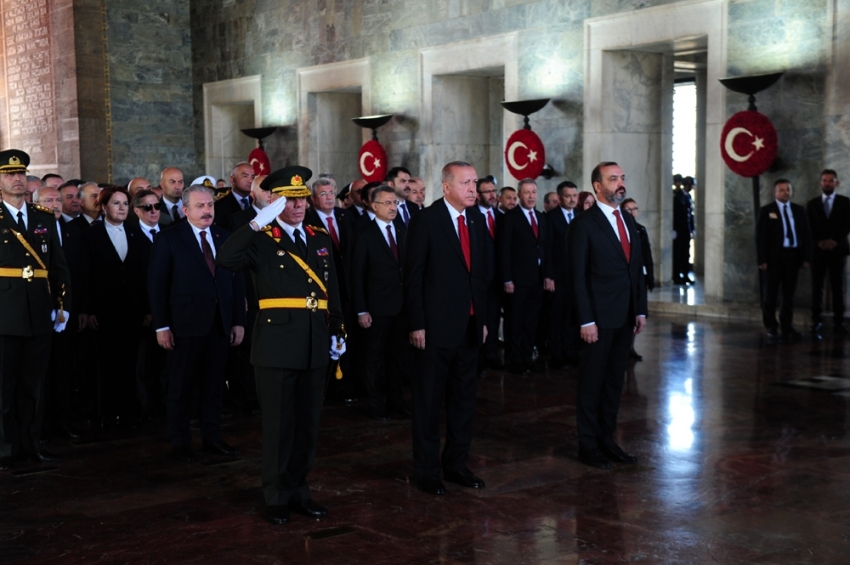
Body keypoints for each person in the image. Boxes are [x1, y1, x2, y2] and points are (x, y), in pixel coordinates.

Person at [217, 166, 344, 526]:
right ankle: (275, 495)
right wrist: (258, 222)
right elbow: (226, 260)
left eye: (302, 199)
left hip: (315, 342)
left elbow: (332, 289)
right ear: (274, 203)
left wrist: (338, 327)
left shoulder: (319, 238)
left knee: (308, 424)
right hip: (276, 343)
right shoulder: (261, 237)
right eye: (290, 200)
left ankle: (299, 490)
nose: (299, 206)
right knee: (278, 426)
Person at [404, 160, 488, 496]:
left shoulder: (477, 220)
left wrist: (482, 320)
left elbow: (481, 277)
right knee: (428, 403)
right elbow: (412, 277)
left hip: (468, 327)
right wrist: (417, 323)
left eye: (475, 182)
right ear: (447, 186)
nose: (473, 189)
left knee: (463, 401)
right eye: (466, 183)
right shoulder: (426, 220)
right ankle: (426, 469)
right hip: (434, 330)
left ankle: (456, 464)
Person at [148, 184, 246, 463]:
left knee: (214, 386)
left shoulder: (225, 237)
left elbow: (235, 283)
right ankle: (181, 443)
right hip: (184, 326)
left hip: (219, 325)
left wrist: (238, 320)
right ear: (185, 209)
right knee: (180, 387)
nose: (207, 211)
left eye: (210, 206)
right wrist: (161, 326)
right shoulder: (169, 238)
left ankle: (212, 438)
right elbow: (157, 286)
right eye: (200, 206)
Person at [569, 161, 647, 470]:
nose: (620, 183)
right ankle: (588, 445)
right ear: (598, 186)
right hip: (597, 320)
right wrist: (586, 320)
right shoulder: (584, 224)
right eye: (613, 179)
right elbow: (577, 276)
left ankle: (607, 439)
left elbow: (635, 271)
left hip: (625, 316)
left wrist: (640, 309)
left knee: (615, 382)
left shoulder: (627, 220)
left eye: (622, 177)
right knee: (592, 383)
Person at [0, 149, 72, 468]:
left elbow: (58, 266)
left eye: (20, 174)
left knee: (33, 385)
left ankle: (31, 444)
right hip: (4, 313)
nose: (17, 179)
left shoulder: (43, 216)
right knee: (3, 387)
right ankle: (5, 449)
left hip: (39, 311)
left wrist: (62, 305)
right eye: (9, 174)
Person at [78, 186, 149, 428]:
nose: (121, 208)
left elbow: (144, 274)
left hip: (132, 310)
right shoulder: (90, 235)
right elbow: (86, 275)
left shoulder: (135, 233)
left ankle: (129, 408)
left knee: (131, 361)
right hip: (103, 311)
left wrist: (148, 309)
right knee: (106, 363)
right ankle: (107, 411)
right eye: (116, 203)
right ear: (104, 206)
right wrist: (88, 309)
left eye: (125, 204)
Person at [351, 184, 408, 420]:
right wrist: (361, 309)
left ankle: (397, 402)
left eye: (395, 203)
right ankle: (374, 404)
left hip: (401, 307)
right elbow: (356, 275)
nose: (393, 207)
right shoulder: (364, 234)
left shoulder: (404, 230)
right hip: (375, 308)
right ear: (374, 206)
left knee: (398, 357)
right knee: (374, 357)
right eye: (387, 203)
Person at [498, 178, 550, 374]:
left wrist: (547, 275)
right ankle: (514, 358)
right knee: (515, 321)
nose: (531, 196)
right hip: (517, 281)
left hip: (537, 280)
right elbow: (504, 250)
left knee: (531, 320)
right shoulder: (510, 218)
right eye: (527, 192)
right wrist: (507, 278)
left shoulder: (541, 217)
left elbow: (545, 248)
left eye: (533, 192)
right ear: (520, 195)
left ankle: (527, 357)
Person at [757, 179, 812, 340]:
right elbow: (760, 238)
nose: (785, 193)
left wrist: (806, 257)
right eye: (781, 190)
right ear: (775, 193)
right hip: (773, 259)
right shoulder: (767, 210)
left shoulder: (799, 210)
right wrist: (762, 260)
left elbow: (807, 235)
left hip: (793, 257)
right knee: (771, 294)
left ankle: (787, 326)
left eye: (787, 190)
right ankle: (771, 326)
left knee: (789, 294)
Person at [131, 190, 165, 417]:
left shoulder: (169, 234)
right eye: (147, 208)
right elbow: (135, 278)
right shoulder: (131, 236)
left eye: (157, 207)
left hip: (169, 311)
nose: (154, 212)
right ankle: (147, 407)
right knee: (145, 364)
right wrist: (147, 309)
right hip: (144, 312)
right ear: (137, 211)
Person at [806, 169, 850, 336]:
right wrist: (819, 241)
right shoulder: (812, 204)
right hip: (818, 251)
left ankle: (839, 322)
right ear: (820, 183)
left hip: (838, 250)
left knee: (838, 287)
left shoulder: (846, 202)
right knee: (817, 287)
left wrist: (835, 241)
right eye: (824, 180)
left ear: (836, 183)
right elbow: (808, 225)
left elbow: (847, 224)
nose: (827, 183)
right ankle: (816, 321)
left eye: (831, 180)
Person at [546, 181, 579, 368]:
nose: (572, 199)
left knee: (572, 317)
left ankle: (570, 351)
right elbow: (547, 248)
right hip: (558, 278)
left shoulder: (581, 217)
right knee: (556, 317)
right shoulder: (551, 218)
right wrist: (549, 275)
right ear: (559, 198)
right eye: (568, 196)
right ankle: (556, 354)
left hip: (576, 277)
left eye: (575, 196)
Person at [621, 198, 654, 360]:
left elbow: (647, 254)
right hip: (626, 277)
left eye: (635, 209)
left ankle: (631, 347)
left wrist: (651, 276)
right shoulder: (620, 230)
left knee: (639, 311)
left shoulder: (640, 229)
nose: (633, 212)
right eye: (629, 209)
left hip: (640, 275)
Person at [476, 175, 503, 370]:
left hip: (498, 278)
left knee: (493, 317)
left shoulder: (502, 217)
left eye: (494, 191)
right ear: (478, 195)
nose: (492, 195)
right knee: (479, 318)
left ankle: (491, 354)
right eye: (487, 192)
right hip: (478, 277)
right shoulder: (471, 217)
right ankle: (477, 356)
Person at [214, 162, 255, 229]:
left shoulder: (256, 202)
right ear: (232, 179)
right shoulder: (219, 207)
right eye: (245, 176)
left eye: (253, 177)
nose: (250, 181)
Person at [672, 175, 695, 284]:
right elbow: (675, 214)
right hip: (678, 230)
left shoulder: (688, 197)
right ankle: (676, 276)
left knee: (686, 254)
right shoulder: (677, 196)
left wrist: (692, 228)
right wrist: (673, 229)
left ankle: (685, 275)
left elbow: (690, 215)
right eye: (689, 184)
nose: (690, 187)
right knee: (678, 254)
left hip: (686, 230)